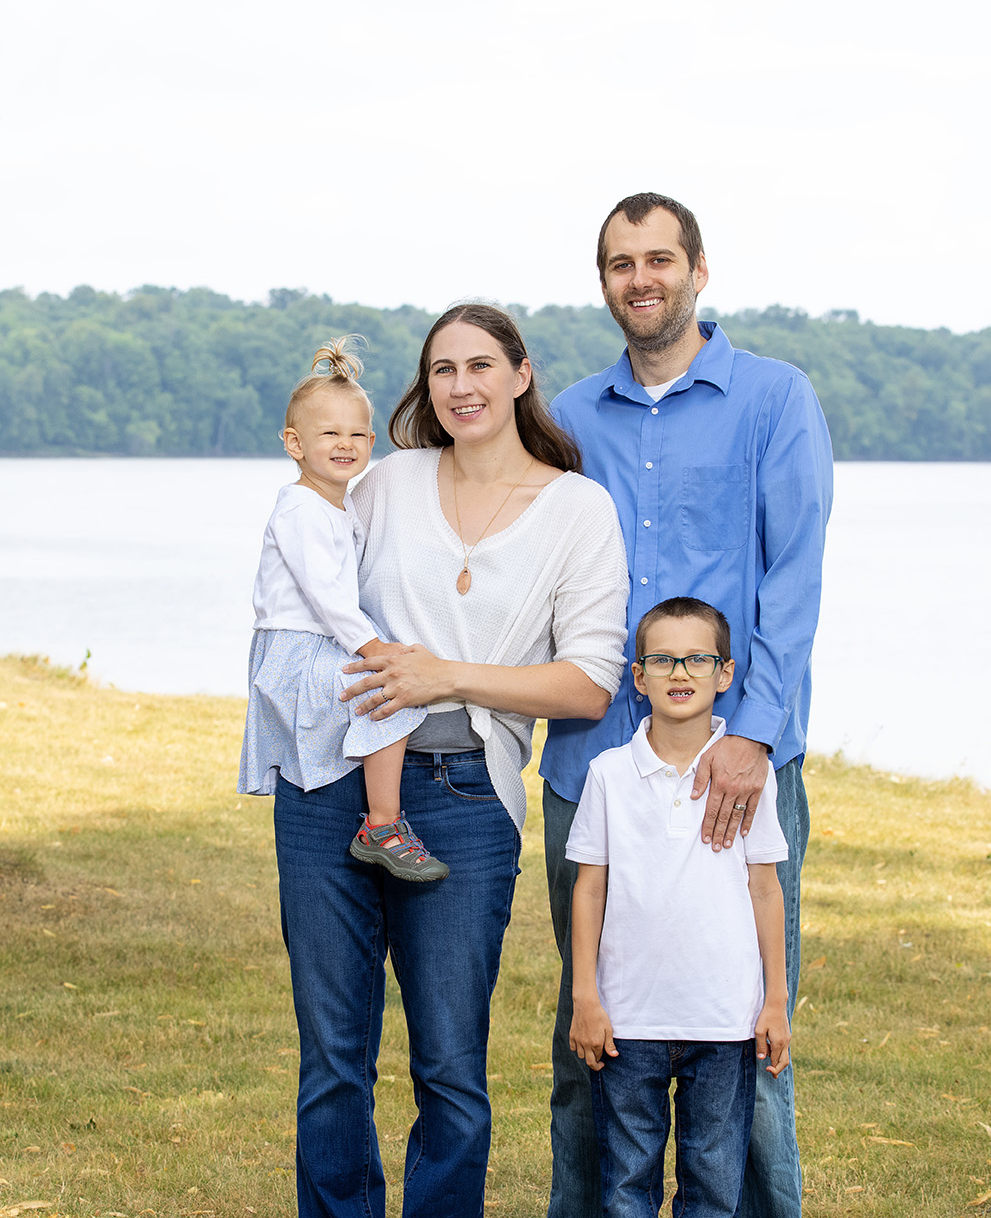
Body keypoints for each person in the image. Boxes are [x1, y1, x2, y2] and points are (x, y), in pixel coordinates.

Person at [276, 303, 630, 1218]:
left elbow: (589, 684)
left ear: (519, 374)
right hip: (328, 788)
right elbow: (306, 578)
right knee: (333, 1056)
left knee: (448, 1065)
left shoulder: (576, 509)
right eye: (442, 370)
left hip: (462, 795)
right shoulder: (385, 481)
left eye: (480, 365)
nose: (462, 385)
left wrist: (444, 676)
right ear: (425, 387)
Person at [542, 193, 833, 1218]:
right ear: (605, 283)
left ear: (699, 271)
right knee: (593, 1032)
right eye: (621, 263)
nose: (641, 278)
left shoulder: (775, 399)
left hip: (734, 765)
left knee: (746, 1031)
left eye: (659, 258)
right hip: (596, 762)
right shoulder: (570, 417)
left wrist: (750, 730)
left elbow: (793, 577)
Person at [568, 597, 790, 1218]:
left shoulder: (752, 779)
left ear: (726, 674)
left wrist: (775, 1001)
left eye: (697, 658)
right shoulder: (609, 774)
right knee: (622, 1190)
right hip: (627, 1022)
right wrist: (586, 997)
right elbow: (590, 888)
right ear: (638, 678)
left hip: (723, 1021)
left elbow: (766, 889)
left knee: (714, 1191)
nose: (680, 673)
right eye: (663, 659)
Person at [238, 338, 445, 881]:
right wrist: (375, 650)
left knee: (388, 691)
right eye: (329, 433)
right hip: (296, 649)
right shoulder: (301, 508)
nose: (345, 444)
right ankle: (382, 824)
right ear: (294, 443)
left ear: (372, 441)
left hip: (318, 642)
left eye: (357, 434)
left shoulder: (339, 504)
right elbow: (327, 596)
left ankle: (379, 818)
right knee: (392, 693)